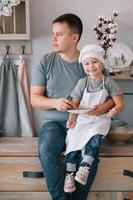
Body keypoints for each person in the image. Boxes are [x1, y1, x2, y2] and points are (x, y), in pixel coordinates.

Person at [30, 13, 115, 200]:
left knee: (89, 158)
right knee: (46, 151)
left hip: (85, 124)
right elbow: (34, 99)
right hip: (54, 124)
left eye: (59, 34)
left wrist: (103, 108)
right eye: (53, 34)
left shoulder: (92, 62)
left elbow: (112, 98)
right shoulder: (46, 61)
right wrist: (55, 102)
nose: (53, 38)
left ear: (74, 37)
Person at [64, 44, 124, 193]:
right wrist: (72, 118)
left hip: (100, 120)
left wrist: (114, 110)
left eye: (95, 62)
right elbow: (75, 103)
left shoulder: (109, 82)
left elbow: (119, 102)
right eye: (87, 63)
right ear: (83, 65)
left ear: (102, 63)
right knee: (73, 139)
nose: (91, 66)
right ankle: (70, 173)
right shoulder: (82, 83)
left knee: (95, 137)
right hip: (83, 119)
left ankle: (85, 167)